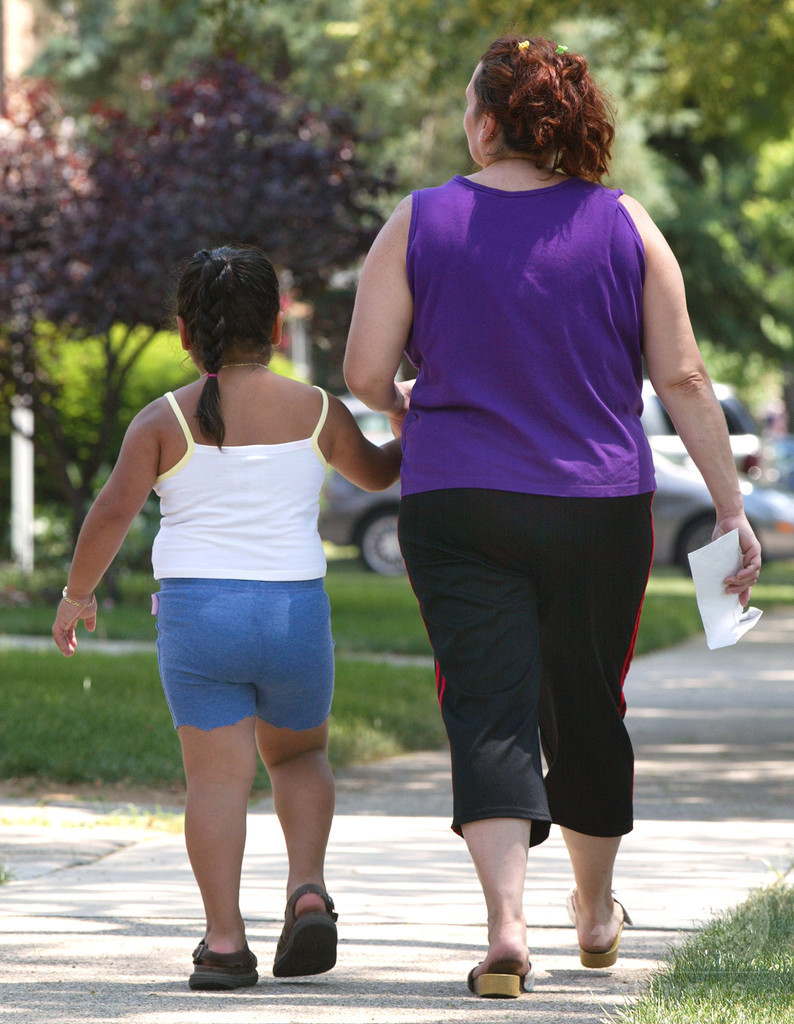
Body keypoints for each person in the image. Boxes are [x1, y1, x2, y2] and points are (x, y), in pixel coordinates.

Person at [343, 35, 762, 999]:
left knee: (485, 703)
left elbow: (366, 375)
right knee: (587, 704)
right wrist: (730, 509)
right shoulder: (625, 224)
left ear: (488, 122)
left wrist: (419, 400)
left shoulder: (420, 220)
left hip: (459, 501)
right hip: (598, 506)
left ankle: (505, 931)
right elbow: (686, 376)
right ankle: (593, 911)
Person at [52, 244, 402, 991]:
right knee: (300, 758)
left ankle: (224, 942)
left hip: (198, 616)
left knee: (215, 783)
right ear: (278, 327)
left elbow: (112, 512)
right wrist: (412, 417)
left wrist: (76, 595)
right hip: (294, 615)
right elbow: (379, 473)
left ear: (185, 332)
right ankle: (306, 888)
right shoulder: (317, 410)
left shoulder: (163, 419)